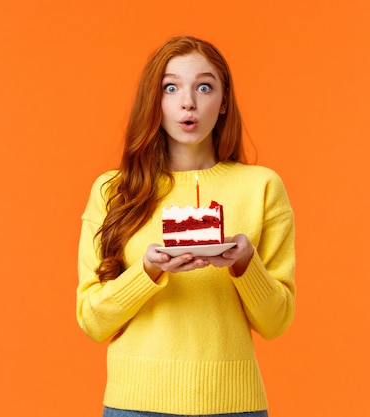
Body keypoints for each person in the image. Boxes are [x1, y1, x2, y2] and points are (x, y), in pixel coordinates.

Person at [76, 35, 296, 417]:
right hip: (135, 405)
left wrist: (245, 265)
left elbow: (276, 323)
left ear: (224, 101)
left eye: (205, 86)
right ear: (154, 100)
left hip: (233, 404)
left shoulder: (261, 187)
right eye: (171, 87)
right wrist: (147, 271)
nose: (188, 102)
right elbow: (92, 321)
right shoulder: (113, 190)